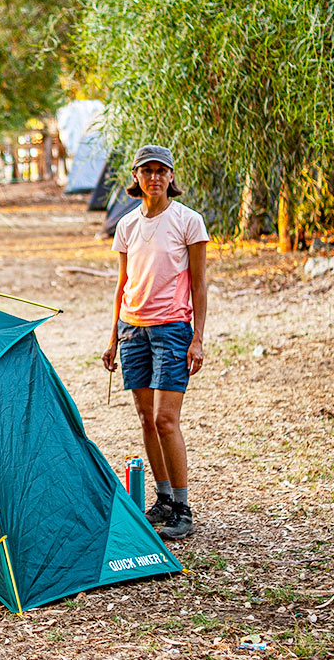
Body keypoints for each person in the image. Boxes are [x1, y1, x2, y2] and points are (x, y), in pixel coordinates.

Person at [101, 145, 208, 540]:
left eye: (161, 171)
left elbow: (199, 284)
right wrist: (113, 336)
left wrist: (198, 338)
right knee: (146, 420)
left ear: (171, 177)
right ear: (136, 177)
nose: (155, 178)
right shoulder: (127, 225)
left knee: (166, 420)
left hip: (172, 330)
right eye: (147, 171)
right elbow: (122, 283)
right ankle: (163, 500)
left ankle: (183, 507)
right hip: (132, 329)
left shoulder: (188, 221)